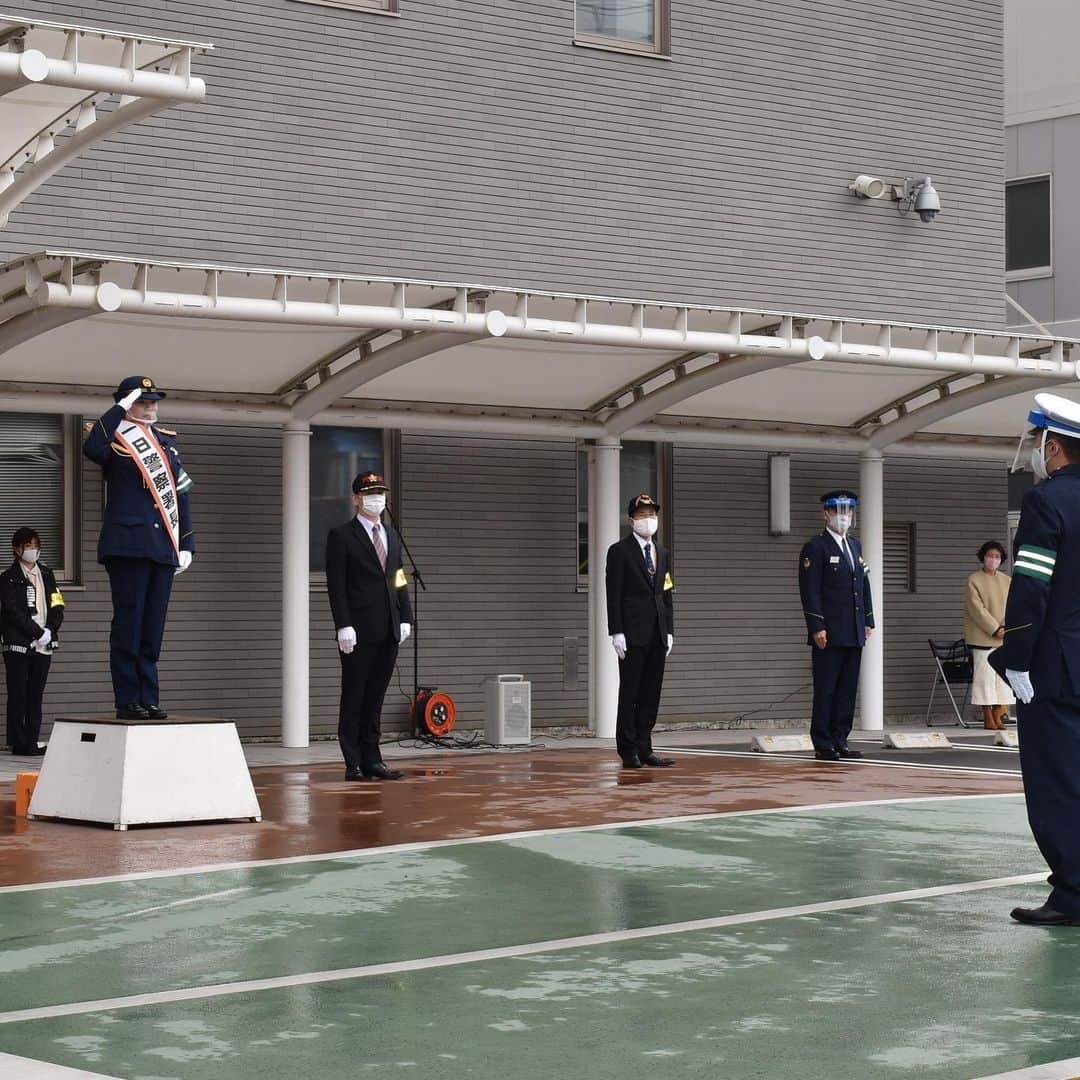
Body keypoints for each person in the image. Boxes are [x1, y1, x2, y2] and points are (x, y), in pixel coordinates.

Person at [990, 393, 1080, 926]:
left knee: (1056, 782)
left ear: (1053, 447)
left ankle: (1072, 895)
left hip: (1056, 669)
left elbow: (1030, 589)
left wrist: (1017, 657)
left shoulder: (1046, 502)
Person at [83, 376, 194, 720]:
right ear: (129, 402)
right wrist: (118, 408)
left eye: (153, 401)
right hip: (128, 545)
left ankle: (148, 696)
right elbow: (91, 448)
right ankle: (128, 697)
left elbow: (181, 494)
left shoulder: (167, 444)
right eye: (143, 401)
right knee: (129, 623)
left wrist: (187, 542)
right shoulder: (114, 437)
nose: (152, 406)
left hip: (163, 546)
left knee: (152, 626)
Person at [325, 472, 413, 781]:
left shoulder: (390, 533)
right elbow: (336, 586)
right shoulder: (342, 536)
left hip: (388, 627)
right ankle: (353, 762)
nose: (377, 499)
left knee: (375, 696)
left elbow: (399, 578)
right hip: (358, 631)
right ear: (356, 499)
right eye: (370, 493)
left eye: (380, 493)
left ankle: (373, 758)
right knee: (355, 696)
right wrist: (343, 625)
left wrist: (405, 617)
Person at [798, 490, 875, 761]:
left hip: (853, 629)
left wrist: (868, 619)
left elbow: (863, 585)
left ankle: (841, 737)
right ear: (826, 514)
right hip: (829, 631)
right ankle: (823, 741)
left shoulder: (855, 546)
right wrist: (816, 626)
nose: (843, 517)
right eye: (838, 512)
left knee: (847, 689)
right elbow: (811, 591)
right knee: (827, 688)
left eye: (848, 512)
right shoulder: (816, 547)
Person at [605, 493, 676, 769]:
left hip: (657, 632)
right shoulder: (619, 551)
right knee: (630, 692)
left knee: (651, 693)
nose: (648, 520)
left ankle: (646, 747)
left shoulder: (663, 553)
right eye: (642, 515)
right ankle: (627, 748)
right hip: (632, 634)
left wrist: (669, 629)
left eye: (652, 514)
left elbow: (667, 594)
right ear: (630, 520)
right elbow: (614, 594)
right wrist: (616, 631)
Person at [1, 528, 64, 755]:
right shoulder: (8, 578)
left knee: (36, 693)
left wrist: (50, 629)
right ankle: (19, 742)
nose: (33, 550)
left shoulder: (47, 574)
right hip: (20, 642)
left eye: (36, 545)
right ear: (17, 549)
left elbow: (57, 603)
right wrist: (36, 631)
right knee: (19, 693)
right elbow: (12, 612)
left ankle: (32, 739)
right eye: (28, 546)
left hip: (44, 642)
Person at [964, 540, 1014, 730]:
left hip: (1004, 636)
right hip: (982, 637)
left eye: (997, 557)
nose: (993, 560)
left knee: (1002, 679)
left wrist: (1006, 627)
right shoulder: (974, 580)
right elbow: (977, 610)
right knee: (984, 678)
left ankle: (998, 714)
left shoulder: (1007, 581)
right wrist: (995, 628)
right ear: (982, 557)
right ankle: (987, 716)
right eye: (990, 556)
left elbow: (1012, 606)